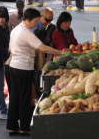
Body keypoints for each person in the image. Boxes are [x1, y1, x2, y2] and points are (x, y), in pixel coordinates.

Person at [6, 8, 62, 136]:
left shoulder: (15, 30)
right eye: (36, 21)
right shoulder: (26, 32)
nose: (36, 23)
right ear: (28, 19)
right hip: (24, 68)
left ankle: (12, 127)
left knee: (14, 97)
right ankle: (24, 128)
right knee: (25, 98)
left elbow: (10, 48)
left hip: (13, 67)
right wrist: (61, 52)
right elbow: (42, 47)